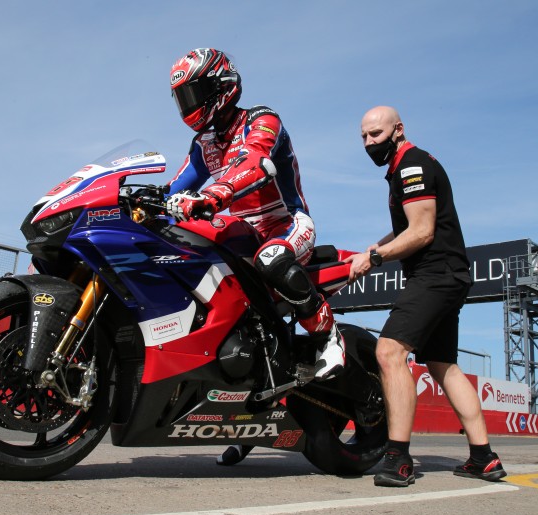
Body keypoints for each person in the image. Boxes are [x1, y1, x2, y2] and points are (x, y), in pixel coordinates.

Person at [165, 49, 345, 464]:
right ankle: (245, 412)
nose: (188, 106)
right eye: (182, 98)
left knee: (271, 259)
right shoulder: (204, 143)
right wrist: (150, 205)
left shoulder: (263, 119)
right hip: (243, 232)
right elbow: (177, 187)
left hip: (285, 223)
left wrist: (212, 195)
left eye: (193, 94)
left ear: (220, 87)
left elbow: (255, 163)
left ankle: (327, 337)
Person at [347, 105, 507, 487]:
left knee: (389, 351)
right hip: (448, 275)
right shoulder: (404, 167)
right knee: (442, 365)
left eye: (376, 134)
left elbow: (421, 232)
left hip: (435, 274)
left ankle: (398, 458)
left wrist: (375, 258)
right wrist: (373, 247)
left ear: (398, 129)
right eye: (364, 136)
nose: (369, 143)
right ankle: (483, 457)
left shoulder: (411, 166)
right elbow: (409, 225)